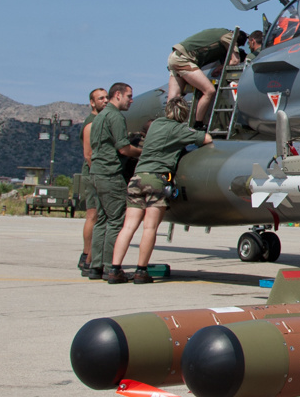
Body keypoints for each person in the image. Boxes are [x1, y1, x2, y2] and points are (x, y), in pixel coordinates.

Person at [107, 97, 211, 284]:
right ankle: (141, 271)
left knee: (128, 227)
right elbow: (206, 139)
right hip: (157, 179)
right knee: (150, 227)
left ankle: (115, 269)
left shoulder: (154, 125)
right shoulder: (179, 129)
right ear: (183, 114)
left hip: (137, 177)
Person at [87, 83, 140, 280]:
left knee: (101, 220)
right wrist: (143, 152)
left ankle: (96, 266)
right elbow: (124, 149)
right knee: (116, 220)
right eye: (129, 96)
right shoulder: (115, 116)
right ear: (118, 95)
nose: (131, 100)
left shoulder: (99, 117)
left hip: (96, 173)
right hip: (110, 174)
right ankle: (111, 267)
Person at [166, 28, 260, 127]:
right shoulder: (229, 36)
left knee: (173, 96)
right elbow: (235, 61)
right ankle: (198, 124)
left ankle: (168, 125)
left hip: (174, 56)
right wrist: (221, 67)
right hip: (184, 59)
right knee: (209, 91)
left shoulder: (219, 33)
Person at [77, 87, 107, 275]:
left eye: (106, 97)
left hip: (96, 173)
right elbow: (88, 155)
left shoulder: (101, 121)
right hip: (93, 173)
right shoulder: (92, 123)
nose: (104, 101)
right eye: (100, 98)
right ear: (92, 102)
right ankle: (87, 255)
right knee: (92, 215)